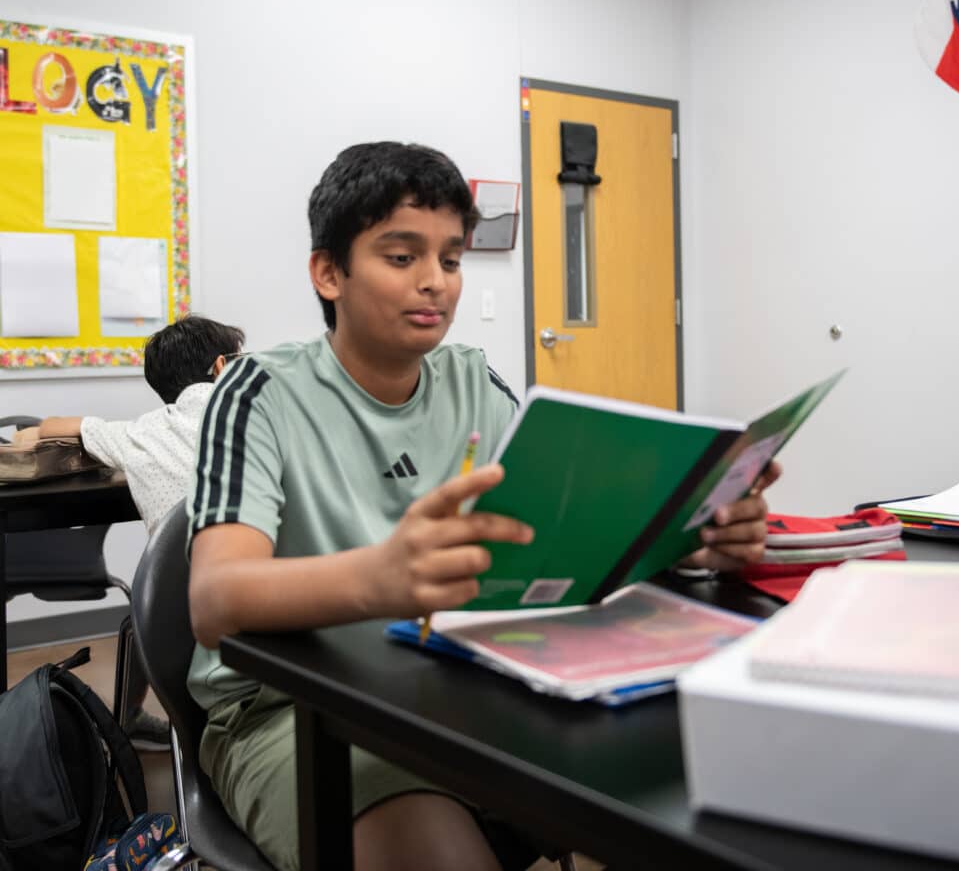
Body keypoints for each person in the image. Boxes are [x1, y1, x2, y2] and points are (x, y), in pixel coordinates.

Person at [186, 141, 777, 871]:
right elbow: (215, 599)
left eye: (452, 260)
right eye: (402, 258)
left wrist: (689, 538)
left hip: (449, 675)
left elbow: (555, 536)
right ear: (329, 272)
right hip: (292, 709)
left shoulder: (471, 381)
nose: (435, 282)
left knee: (693, 779)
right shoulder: (259, 393)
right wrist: (380, 578)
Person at [16, 314, 246, 750]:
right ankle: (134, 717)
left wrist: (29, 434)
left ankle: (132, 718)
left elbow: (56, 428)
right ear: (221, 367)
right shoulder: (266, 417)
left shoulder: (140, 434)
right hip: (277, 617)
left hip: (175, 624)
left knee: (149, 591)